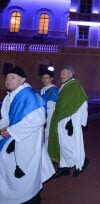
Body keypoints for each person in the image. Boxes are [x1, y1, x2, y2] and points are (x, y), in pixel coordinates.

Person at [0, 66, 55, 204]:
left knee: (25, 172)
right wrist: (3, 127)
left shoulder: (28, 95)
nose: (8, 81)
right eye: (6, 78)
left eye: (12, 78)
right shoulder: (10, 96)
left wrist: (12, 131)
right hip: (14, 136)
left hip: (27, 140)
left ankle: (30, 198)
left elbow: (39, 119)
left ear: (22, 80)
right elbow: (6, 117)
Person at [48, 65, 89, 177]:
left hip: (71, 121)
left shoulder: (75, 86)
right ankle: (64, 166)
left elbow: (82, 103)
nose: (61, 76)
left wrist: (77, 121)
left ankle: (80, 164)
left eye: (64, 73)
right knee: (62, 144)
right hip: (61, 119)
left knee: (73, 145)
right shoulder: (63, 86)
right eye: (61, 74)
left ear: (71, 74)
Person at [40, 70, 58, 149]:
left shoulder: (52, 89)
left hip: (50, 113)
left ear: (51, 79)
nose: (44, 79)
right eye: (43, 78)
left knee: (48, 132)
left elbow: (51, 103)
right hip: (44, 113)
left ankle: (49, 152)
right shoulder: (43, 89)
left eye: (46, 78)